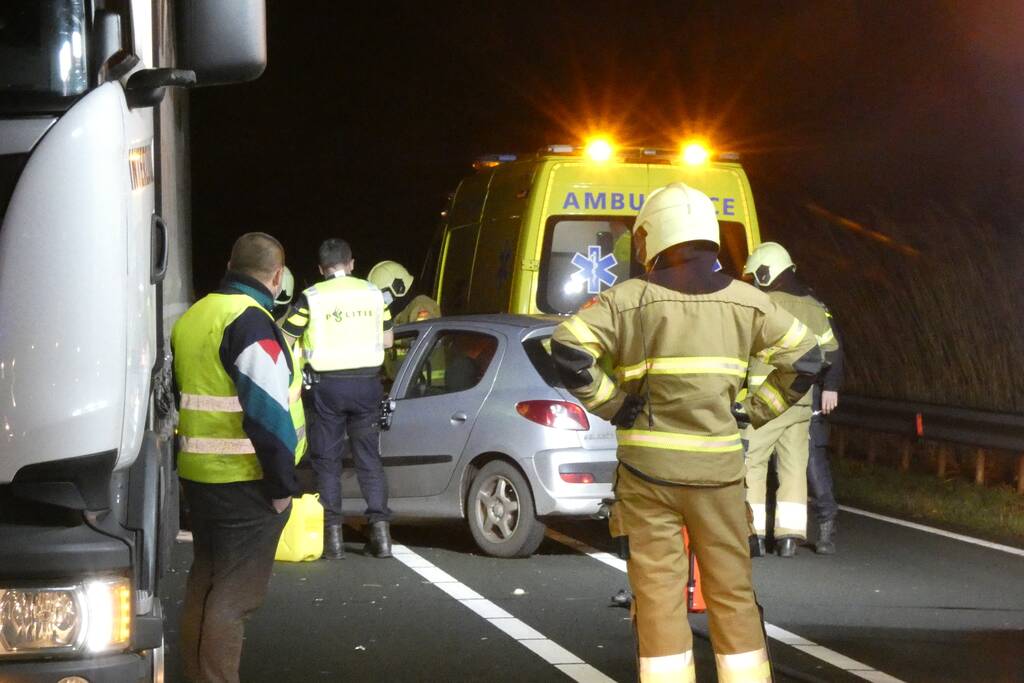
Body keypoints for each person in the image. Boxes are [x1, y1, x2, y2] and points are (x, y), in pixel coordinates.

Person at [551, 183, 822, 683]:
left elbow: (567, 350)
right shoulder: (749, 302)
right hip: (718, 477)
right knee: (732, 595)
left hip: (647, 477)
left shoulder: (626, 300)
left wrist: (613, 404)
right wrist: (755, 409)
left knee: (657, 599)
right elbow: (807, 357)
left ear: (651, 238)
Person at [172, 232, 302, 683]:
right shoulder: (249, 321)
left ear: (231, 263)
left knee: (205, 584)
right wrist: (282, 486)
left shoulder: (195, 316)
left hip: (199, 475)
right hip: (244, 479)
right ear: (277, 275)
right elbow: (267, 410)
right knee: (234, 596)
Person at [282, 238, 394, 559]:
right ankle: (381, 535)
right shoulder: (374, 294)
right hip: (367, 385)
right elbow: (387, 340)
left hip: (327, 388)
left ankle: (332, 539)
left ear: (321, 269)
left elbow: (288, 338)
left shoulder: (311, 298)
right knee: (369, 458)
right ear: (352, 263)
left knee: (327, 462)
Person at [742, 242, 843, 556]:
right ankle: (788, 539)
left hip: (764, 402)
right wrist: (829, 385)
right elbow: (832, 352)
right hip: (800, 401)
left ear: (765, 272)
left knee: (753, 466)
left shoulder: (762, 304)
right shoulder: (814, 306)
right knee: (792, 469)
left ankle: (753, 535)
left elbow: (742, 348)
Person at [367, 259, 440, 325]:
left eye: (381, 294)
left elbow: (425, 336)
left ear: (399, 288)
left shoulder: (420, 306)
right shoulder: (399, 315)